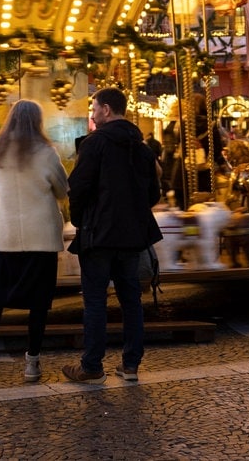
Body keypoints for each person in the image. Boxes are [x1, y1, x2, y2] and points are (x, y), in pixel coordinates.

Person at [0, 100, 69, 383]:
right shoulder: (46, 153)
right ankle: (32, 363)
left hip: (7, 235)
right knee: (39, 302)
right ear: (38, 121)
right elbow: (62, 189)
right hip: (41, 236)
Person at [62, 88, 162, 384]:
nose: (92, 115)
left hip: (99, 236)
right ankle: (131, 364)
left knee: (95, 301)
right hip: (131, 238)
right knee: (131, 300)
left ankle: (92, 366)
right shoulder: (143, 149)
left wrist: (81, 220)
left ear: (106, 109)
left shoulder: (95, 145)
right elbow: (152, 195)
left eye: (93, 109)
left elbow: (77, 188)